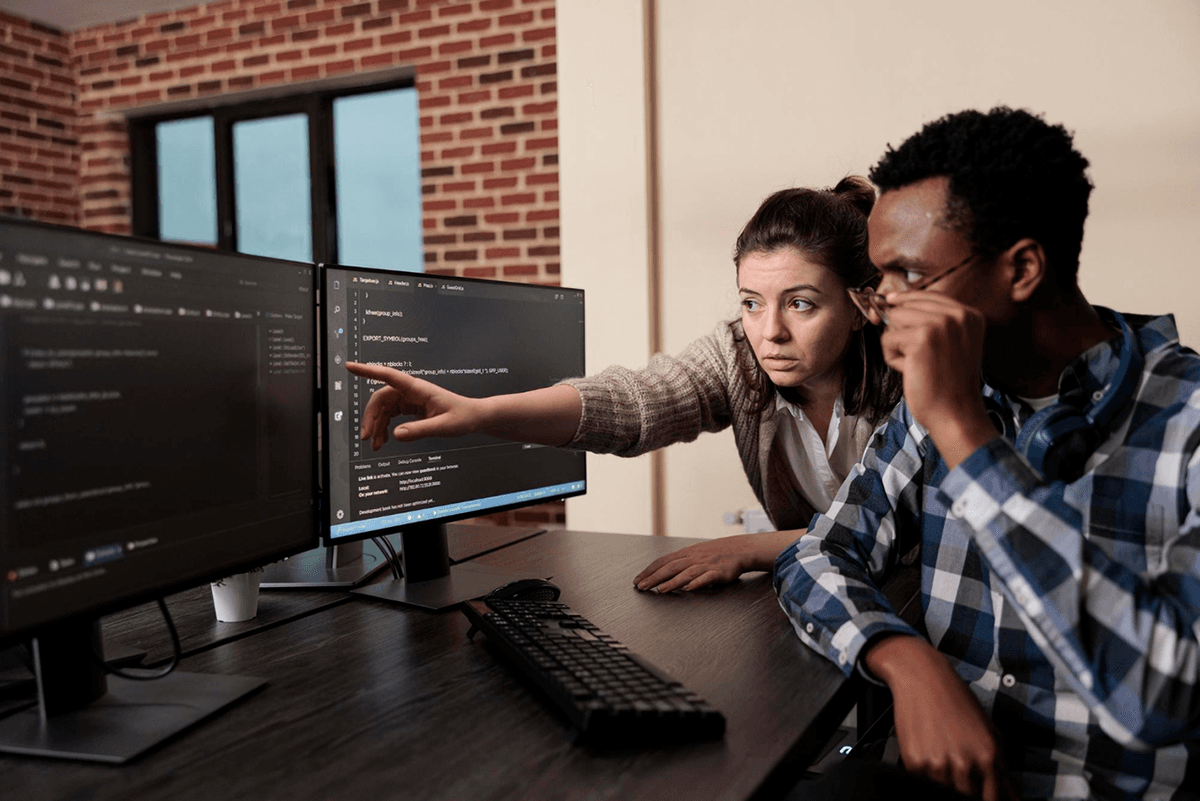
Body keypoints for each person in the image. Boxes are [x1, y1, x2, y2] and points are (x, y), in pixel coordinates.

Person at [775, 107, 1200, 800]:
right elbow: (818, 554)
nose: (885, 308)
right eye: (879, 280)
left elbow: (1159, 695)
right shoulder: (936, 399)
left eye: (909, 274)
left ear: (1022, 269)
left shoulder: (1188, 420)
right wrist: (907, 661)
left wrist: (965, 436)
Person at [347, 177, 901, 593]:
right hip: (832, 594)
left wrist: (754, 549)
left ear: (861, 306)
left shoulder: (908, 375)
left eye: (800, 304)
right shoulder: (739, 355)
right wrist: (480, 412)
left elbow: (900, 530)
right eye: (751, 303)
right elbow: (634, 404)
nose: (770, 331)